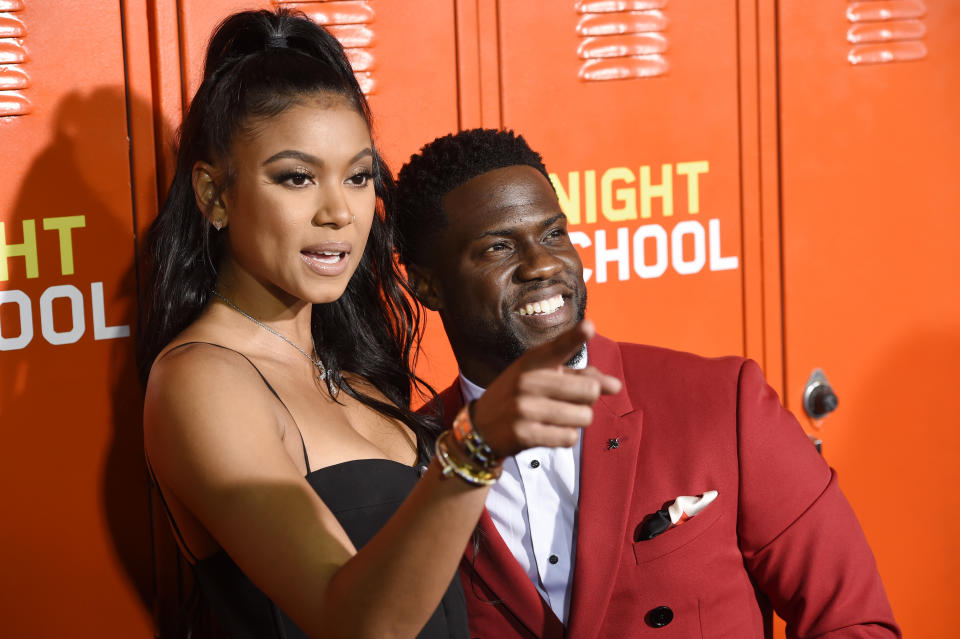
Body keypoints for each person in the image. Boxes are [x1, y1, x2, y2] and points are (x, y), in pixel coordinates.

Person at [138, 11, 620, 639]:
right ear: (214, 193)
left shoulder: (354, 375)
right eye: (296, 178)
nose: (339, 212)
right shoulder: (202, 381)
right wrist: (475, 448)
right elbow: (355, 624)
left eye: (359, 176)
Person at [394, 128, 901, 638]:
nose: (544, 264)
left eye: (553, 234)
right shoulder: (410, 458)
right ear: (427, 285)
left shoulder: (724, 400)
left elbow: (855, 622)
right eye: (498, 247)